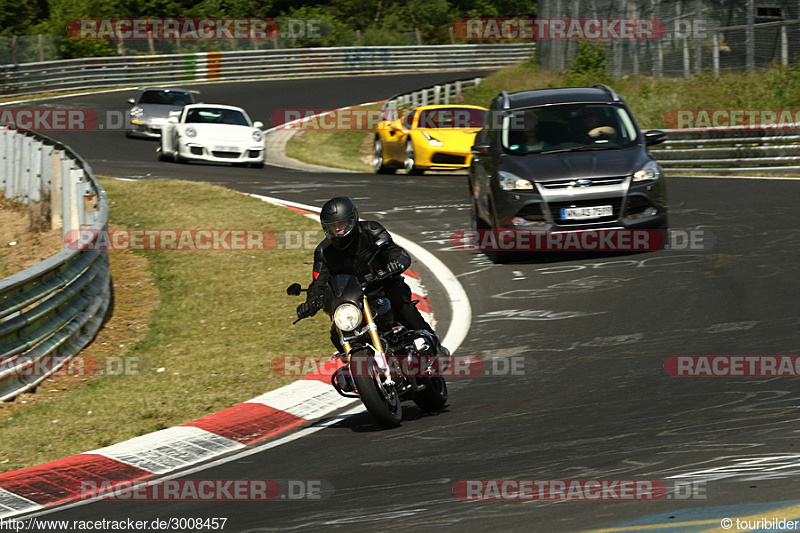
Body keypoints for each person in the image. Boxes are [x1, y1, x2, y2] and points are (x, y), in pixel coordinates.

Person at [296, 197, 448, 355]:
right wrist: (311, 302)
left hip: (385, 288)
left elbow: (393, 251)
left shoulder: (371, 230)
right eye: (332, 226)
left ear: (351, 220)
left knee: (403, 306)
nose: (337, 229)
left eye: (341, 224)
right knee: (336, 333)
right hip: (355, 301)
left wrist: (396, 262)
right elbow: (318, 283)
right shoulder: (324, 251)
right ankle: (355, 372)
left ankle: (435, 347)